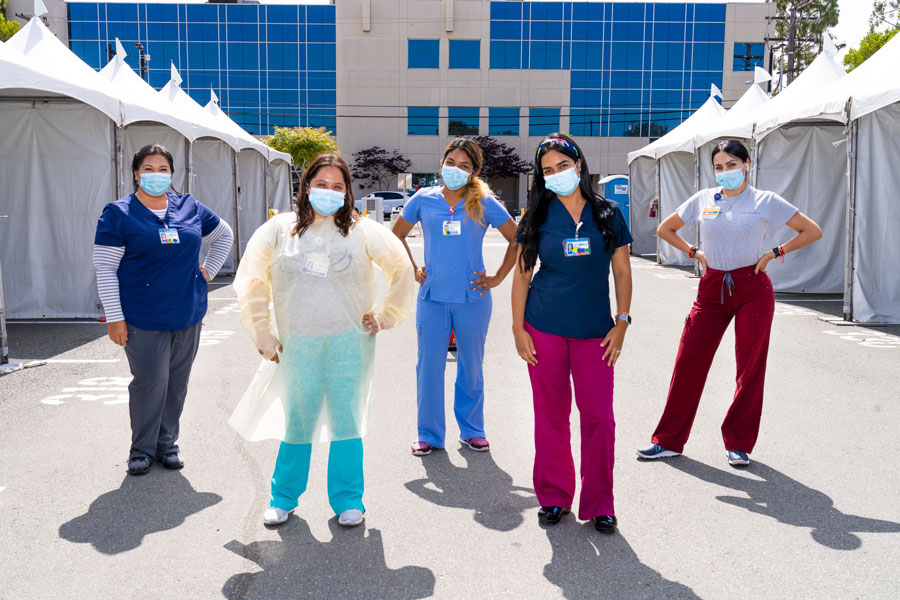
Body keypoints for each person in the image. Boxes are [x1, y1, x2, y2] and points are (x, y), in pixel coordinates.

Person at [228, 154, 415, 527]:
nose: (328, 192)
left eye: (337, 186)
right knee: (298, 420)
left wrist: (385, 315)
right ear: (306, 186)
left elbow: (402, 269)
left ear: (347, 192)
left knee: (347, 421)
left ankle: (348, 500)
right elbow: (252, 278)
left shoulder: (361, 230)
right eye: (321, 185)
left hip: (350, 343)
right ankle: (283, 497)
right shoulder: (281, 229)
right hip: (298, 344)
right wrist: (261, 329)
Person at [636, 139, 823, 467]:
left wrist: (775, 252)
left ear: (746, 164)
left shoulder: (765, 200)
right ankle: (667, 441)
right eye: (719, 168)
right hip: (711, 289)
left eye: (731, 166)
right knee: (688, 362)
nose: (725, 173)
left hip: (753, 289)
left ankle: (738, 443)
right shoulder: (704, 199)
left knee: (749, 367)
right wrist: (694, 252)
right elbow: (666, 229)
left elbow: (812, 230)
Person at [511, 134, 633, 533]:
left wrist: (622, 321)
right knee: (550, 415)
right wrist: (517, 328)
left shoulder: (608, 212)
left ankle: (600, 502)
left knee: (599, 417)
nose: (557, 174)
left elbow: (622, 271)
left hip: (595, 332)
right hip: (543, 327)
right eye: (548, 170)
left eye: (563, 165)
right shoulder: (538, 216)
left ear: (579, 165)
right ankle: (553, 496)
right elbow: (523, 275)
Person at [93, 144, 234, 476]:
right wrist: (115, 317)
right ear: (135, 173)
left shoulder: (188, 206)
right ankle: (141, 449)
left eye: (163, 170)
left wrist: (209, 270)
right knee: (150, 381)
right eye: (148, 169)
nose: (156, 175)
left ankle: (167, 444)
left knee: (177, 383)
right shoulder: (119, 213)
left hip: (187, 311)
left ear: (172, 174)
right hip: (142, 315)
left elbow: (224, 235)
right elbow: (105, 268)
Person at [391, 138, 518, 456]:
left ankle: (473, 430)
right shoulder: (423, 199)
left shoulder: (485, 201)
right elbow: (395, 236)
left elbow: (518, 239)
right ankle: (429, 434)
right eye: (451, 162)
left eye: (464, 165)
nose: (455, 169)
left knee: (471, 366)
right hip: (432, 299)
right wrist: (412, 270)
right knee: (429, 366)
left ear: (474, 171)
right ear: (442, 163)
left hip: (473, 299)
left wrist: (497, 278)